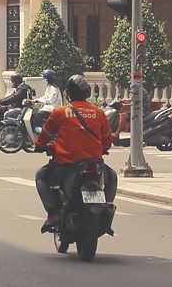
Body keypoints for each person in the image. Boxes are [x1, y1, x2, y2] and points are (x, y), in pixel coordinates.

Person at [33, 75, 116, 230]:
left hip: (66, 166)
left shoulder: (60, 113)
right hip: (94, 163)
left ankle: (53, 213)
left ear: (68, 95)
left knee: (41, 176)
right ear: (87, 93)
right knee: (112, 178)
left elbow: (43, 138)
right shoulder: (99, 113)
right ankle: (107, 208)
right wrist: (103, 148)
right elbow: (107, 141)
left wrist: (39, 146)